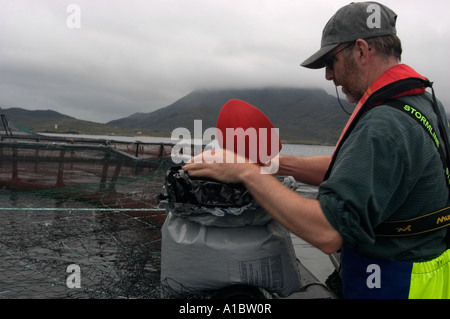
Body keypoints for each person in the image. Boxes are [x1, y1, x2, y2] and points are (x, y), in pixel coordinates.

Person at [183, 1, 450, 299]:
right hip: (431, 275)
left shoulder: (383, 124)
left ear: (361, 50)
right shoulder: (425, 103)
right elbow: (356, 174)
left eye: (330, 62)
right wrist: (271, 165)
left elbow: (327, 232)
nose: (328, 76)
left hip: (396, 283)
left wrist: (245, 172)